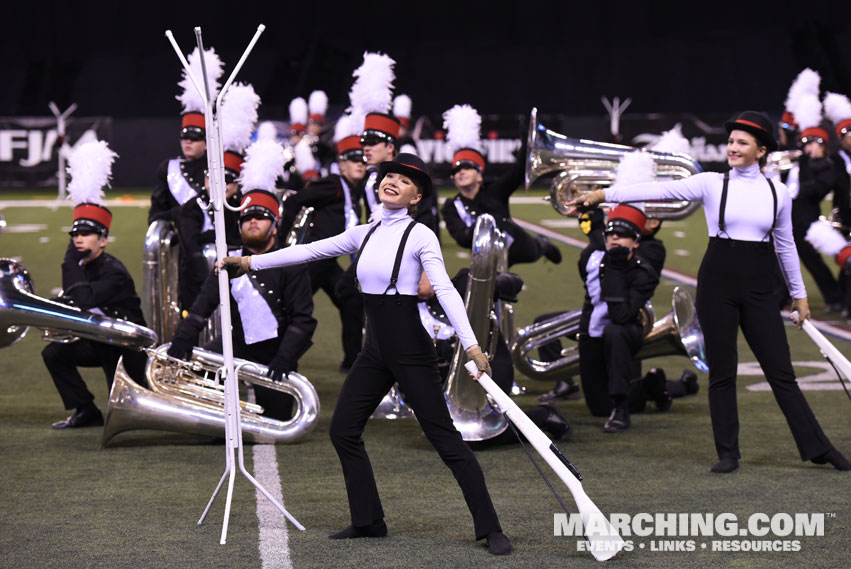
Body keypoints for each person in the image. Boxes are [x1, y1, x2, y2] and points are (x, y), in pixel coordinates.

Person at [221, 153, 512, 555]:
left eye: (404, 180)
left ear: (416, 197)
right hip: (374, 350)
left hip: (410, 348)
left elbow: (444, 289)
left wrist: (473, 345)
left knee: (445, 440)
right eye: (388, 175)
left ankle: (490, 527)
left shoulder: (420, 235)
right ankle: (368, 520)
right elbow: (307, 251)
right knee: (343, 431)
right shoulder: (366, 231)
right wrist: (250, 261)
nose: (391, 181)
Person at [569, 110, 851, 472]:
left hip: (761, 286)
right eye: (731, 141)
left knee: (781, 371)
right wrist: (603, 194)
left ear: (761, 150)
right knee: (723, 369)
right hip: (718, 282)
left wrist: (799, 296)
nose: (732, 147)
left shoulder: (777, 192)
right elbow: (659, 190)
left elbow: (785, 247)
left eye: (742, 142)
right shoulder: (711, 184)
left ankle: (818, 447)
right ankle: (728, 453)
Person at [168, 188, 316, 420]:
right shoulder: (229, 262)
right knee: (199, 371)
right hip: (237, 345)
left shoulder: (291, 263)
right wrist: (182, 338)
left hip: (275, 352)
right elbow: (201, 308)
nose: (253, 221)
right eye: (246, 218)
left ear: (275, 227)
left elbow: (303, 320)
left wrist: (285, 358)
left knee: (276, 419)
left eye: (261, 217)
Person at [43, 200, 148, 429]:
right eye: (75, 234)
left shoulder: (114, 272)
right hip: (100, 342)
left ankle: (125, 409)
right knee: (54, 354)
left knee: (107, 346)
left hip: (127, 350)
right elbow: (73, 303)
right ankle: (86, 409)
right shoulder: (81, 267)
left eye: (87, 233)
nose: (78, 239)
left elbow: (83, 299)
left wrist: (70, 263)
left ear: (103, 240)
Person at [278, 119, 367, 371]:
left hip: (328, 263)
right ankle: (277, 356)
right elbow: (296, 201)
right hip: (314, 260)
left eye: (362, 160)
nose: (359, 163)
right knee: (295, 310)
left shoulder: (352, 189)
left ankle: (352, 360)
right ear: (342, 164)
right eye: (353, 160)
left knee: (350, 301)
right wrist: (282, 240)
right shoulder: (334, 185)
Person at [440, 104, 561, 267]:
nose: (461, 173)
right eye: (457, 170)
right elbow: (461, 239)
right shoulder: (451, 206)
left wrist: (527, 139)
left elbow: (518, 170)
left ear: (480, 175)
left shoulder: (495, 191)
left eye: (468, 168)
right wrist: (484, 223)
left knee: (533, 252)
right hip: (485, 256)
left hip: (518, 245)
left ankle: (542, 244)